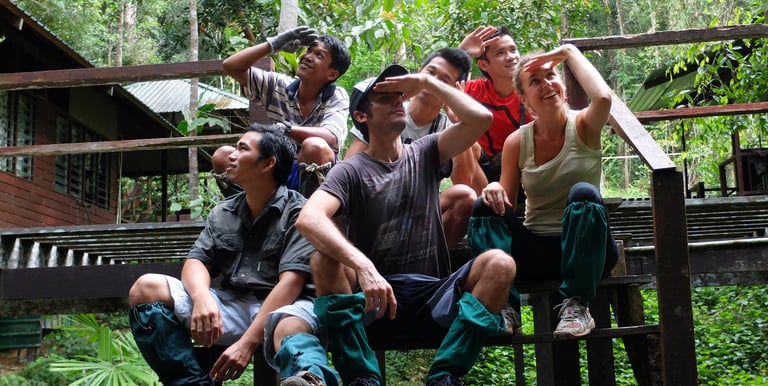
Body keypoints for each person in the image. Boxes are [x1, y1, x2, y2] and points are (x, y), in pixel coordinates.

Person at [296, 65, 517, 386]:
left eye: (399, 95)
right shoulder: (349, 171)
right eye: (385, 98)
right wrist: (363, 266)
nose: (398, 102)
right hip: (373, 305)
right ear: (362, 117)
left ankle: (445, 375)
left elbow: (480, 120)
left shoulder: (425, 151)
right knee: (322, 259)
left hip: (433, 298)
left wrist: (427, 82)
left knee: (500, 263)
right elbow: (309, 217)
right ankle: (361, 378)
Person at [128, 124, 338, 386]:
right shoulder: (223, 212)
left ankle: (310, 380)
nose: (232, 156)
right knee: (146, 288)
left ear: (267, 164)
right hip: (234, 304)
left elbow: (291, 283)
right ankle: (191, 382)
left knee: (288, 327)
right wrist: (202, 297)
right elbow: (196, 261)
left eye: (242, 148)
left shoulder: (299, 211)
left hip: (288, 306)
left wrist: (246, 344)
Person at [473, 44, 619, 337]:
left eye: (551, 76)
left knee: (584, 193)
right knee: (484, 206)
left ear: (563, 87)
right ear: (525, 101)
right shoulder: (517, 141)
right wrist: (492, 188)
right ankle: (504, 307)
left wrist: (567, 52)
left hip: (589, 253)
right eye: (535, 81)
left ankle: (577, 305)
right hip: (537, 253)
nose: (546, 84)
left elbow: (603, 97)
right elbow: (506, 203)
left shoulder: (584, 124)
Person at [344, 48, 483, 248]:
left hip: (420, 211)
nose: (433, 82)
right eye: (430, 74)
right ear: (417, 74)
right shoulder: (389, 111)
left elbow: (465, 182)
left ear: (453, 91)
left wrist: (460, 123)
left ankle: (430, 271)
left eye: (443, 82)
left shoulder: (446, 127)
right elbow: (349, 173)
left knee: (464, 197)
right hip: (378, 206)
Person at [222, 26, 351, 197]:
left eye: (319, 55)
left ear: (332, 74)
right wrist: (275, 44)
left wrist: (287, 128)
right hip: (279, 170)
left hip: (318, 178)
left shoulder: (336, 96)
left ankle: (309, 214)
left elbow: (331, 136)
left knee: (313, 146)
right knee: (223, 156)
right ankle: (249, 214)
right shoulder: (278, 85)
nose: (307, 57)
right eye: (309, 51)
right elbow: (231, 66)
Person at [459, 26, 531, 190]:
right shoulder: (476, 91)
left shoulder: (533, 89)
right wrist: (462, 52)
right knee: (462, 140)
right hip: (484, 176)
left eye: (513, 50)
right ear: (484, 65)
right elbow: (435, 88)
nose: (511, 57)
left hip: (527, 172)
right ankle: (490, 206)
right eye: (501, 53)